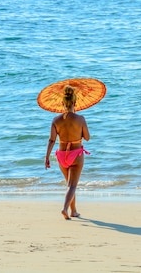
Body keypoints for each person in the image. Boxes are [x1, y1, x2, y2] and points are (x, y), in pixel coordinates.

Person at [45, 85, 90, 220]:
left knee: (69, 184)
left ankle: (74, 211)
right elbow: (87, 137)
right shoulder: (80, 119)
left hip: (61, 154)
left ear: (62, 103)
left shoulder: (56, 120)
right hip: (76, 154)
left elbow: (52, 140)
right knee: (72, 185)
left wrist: (46, 157)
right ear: (75, 102)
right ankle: (65, 208)